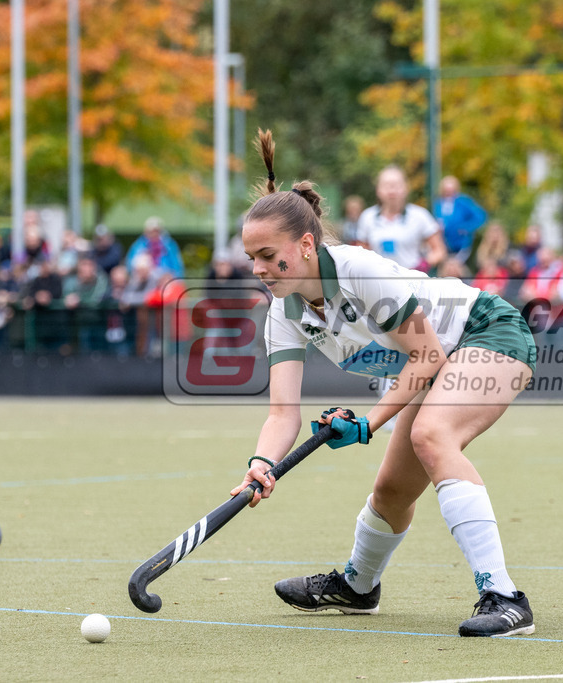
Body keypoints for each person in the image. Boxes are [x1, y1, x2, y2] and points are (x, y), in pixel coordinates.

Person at [229, 130, 538, 638]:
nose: (260, 270)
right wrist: (260, 466)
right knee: (393, 489)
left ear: (306, 245)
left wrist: (367, 425)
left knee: (431, 435)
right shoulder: (283, 311)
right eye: (252, 259)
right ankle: (357, 586)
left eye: (268, 255)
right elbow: (282, 413)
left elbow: (428, 353)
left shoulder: (358, 269)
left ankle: (505, 597)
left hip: (488, 331)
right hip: (438, 361)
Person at [356, 166, 446, 274]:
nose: (392, 190)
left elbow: (439, 250)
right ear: (378, 190)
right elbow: (361, 252)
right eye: (386, 185)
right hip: (379, 281)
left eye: (396, 185)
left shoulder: (420, 215)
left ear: (406, 188)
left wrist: (424, 264)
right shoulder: (367, 217)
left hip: (411, 280)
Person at [433, 175, 488, 262]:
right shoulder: (438, 204)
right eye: (446, 191)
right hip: (443, 243)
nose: (448, 193)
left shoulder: (463, 202)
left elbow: (480, 216)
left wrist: (466, 228)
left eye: (451, 190)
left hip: (460, 245)